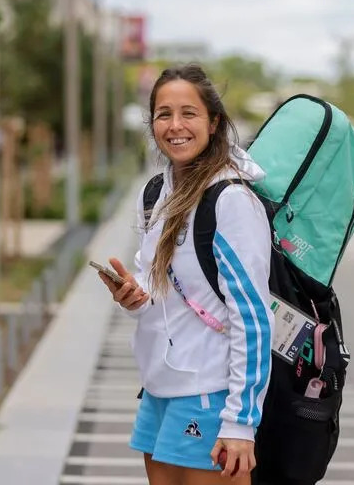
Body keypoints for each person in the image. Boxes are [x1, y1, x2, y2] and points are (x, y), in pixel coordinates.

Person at [97, 64, 274, 485]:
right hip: (159, 388)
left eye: (188, 113)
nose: (175, 126)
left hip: (210, 393)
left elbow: (253, 317)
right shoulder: (156, 192)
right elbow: (159, 286)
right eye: (163, 114)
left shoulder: (231, 201)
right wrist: (133, 295)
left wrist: (239, 423)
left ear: (214, 123)